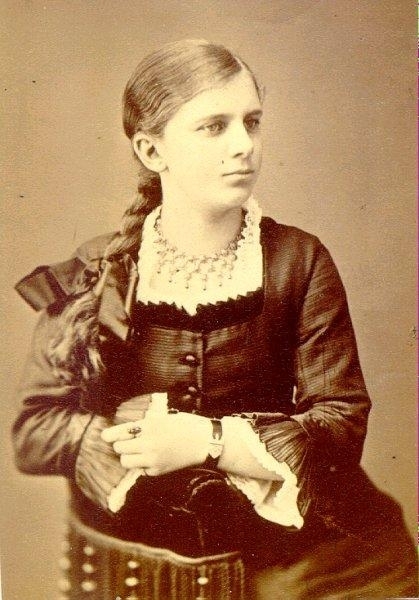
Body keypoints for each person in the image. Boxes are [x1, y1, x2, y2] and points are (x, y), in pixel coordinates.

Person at [12, 39, 416, 600]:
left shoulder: (298, 260)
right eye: (214, 127)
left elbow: (342, 424)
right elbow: (34, 429)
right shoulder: (98, 271)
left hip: (309, 566)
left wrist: (208, 440)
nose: (243, 145)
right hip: (142, 566)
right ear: (152, 150)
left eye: (252, 122)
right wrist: (119, 438)